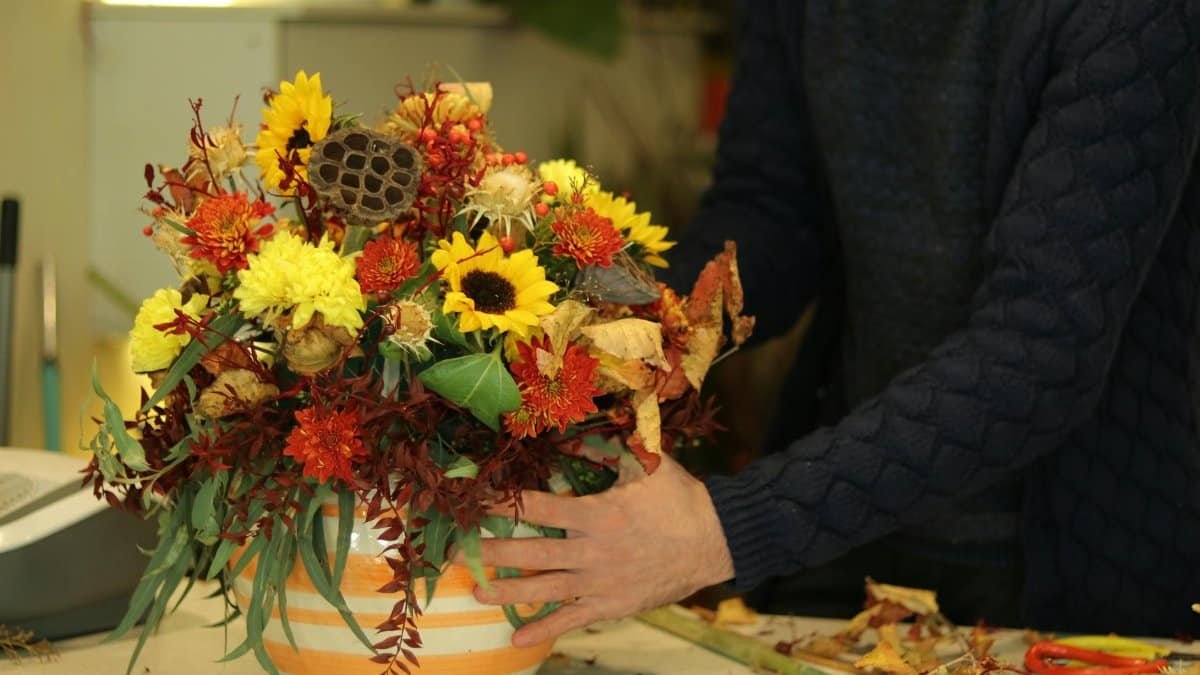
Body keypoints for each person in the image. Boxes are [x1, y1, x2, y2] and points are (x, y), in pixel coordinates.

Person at [469, 0, 1200, 647]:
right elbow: (772, 212)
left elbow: (1039, 356)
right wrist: (611, 342)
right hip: (841, 530)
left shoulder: (1136, 15)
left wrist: (720, 531)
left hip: (1069, 572)